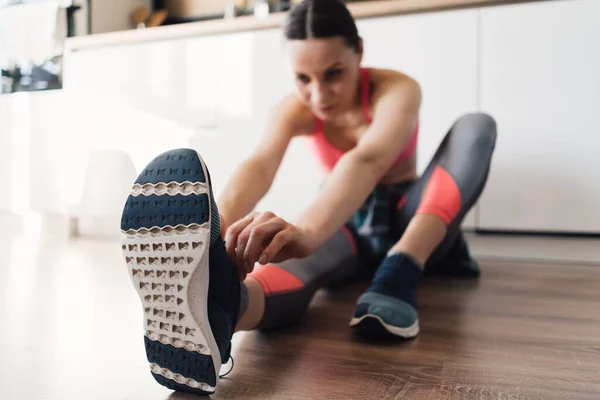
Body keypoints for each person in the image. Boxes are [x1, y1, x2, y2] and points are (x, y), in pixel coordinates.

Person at [120, 0, 497, 395]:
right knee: (292, 260)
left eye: (334, 73)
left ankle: (400, 271)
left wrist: (309, 231)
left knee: (476, 126)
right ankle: (224, 312)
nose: (319, 94)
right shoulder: (295, 109)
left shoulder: (396, 89)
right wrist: (213, 235)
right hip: (348, 222)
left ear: (360, 53)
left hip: (413, 216)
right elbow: (260, 165)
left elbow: (367, 160)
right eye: (303, 78)